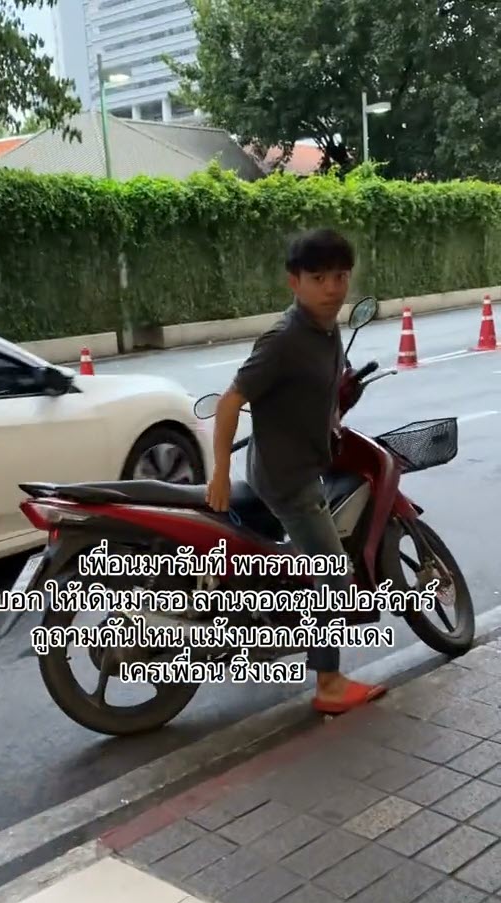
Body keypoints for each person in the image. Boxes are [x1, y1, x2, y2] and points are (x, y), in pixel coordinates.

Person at [205, 227, 386, 713]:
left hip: (291, 462)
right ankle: (328, 684)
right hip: (289, 478)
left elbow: (314, 389)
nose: (332, 288)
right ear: (294, 282)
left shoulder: (327, 328)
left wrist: (336, 408)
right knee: (336, 577)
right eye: (319, 278)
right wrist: (218, 472)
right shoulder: (284, 339)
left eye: (341, 276)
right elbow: (230, 401)